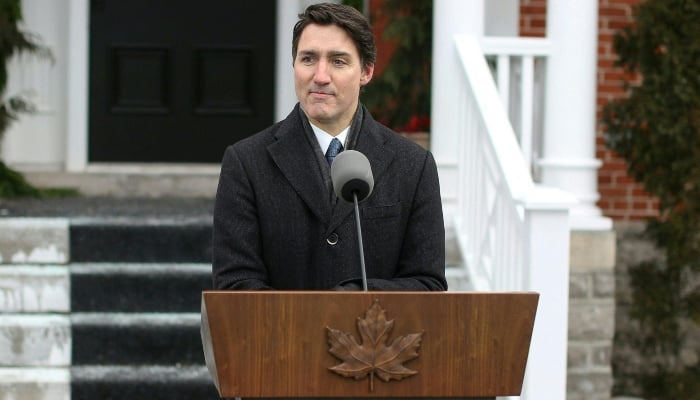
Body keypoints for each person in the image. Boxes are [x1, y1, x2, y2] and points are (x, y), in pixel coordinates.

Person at [212, 2, 446, 291]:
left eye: (338, 61)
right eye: (308, 59)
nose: (320, 76)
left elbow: (427, 284)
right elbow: (235, 285)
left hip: (373, 335)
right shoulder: (246, 163)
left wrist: (350, 303)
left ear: (367, 71)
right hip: (281, 335)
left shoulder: (414, 165)